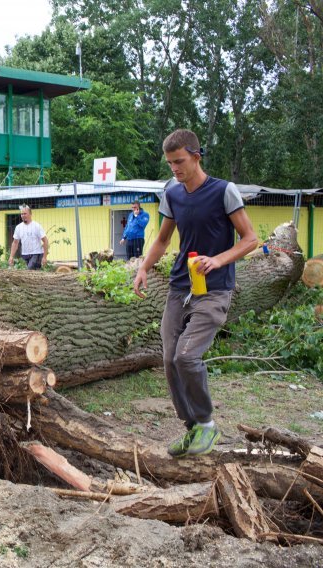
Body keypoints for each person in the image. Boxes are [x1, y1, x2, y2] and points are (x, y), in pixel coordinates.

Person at [133, 129, 257, 458]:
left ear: (196, 156)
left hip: (214, 289)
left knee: (187, 356)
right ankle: (191, 429)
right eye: (170, 163)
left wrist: (216, 260)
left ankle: (207, 424)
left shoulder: (223, 192)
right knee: (170, 359)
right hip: (180, 286)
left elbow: (250, 239)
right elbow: (162, 240)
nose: (175, 168)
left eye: (180, 161)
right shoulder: (172, 193)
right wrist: (144, 267)